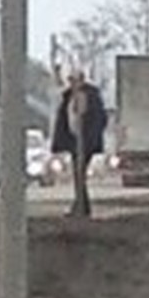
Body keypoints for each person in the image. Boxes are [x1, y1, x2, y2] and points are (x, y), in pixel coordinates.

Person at [51, 68, 108, 217]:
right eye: (70, 80)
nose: (71, 83)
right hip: (75, 140)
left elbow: (96, 118)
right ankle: (81, 205)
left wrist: (89, 136)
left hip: (84, 143)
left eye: (73, 80)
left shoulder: (88, 96)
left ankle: (82, 207)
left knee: (79, 174)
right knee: (78, 175)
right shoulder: (70, 96)